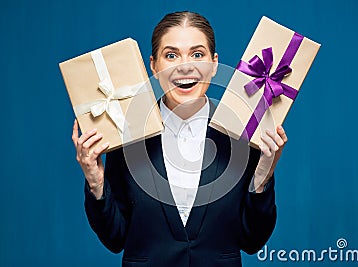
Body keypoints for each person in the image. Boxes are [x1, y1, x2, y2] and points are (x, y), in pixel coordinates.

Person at [72, 11, 288, 267]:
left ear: (215, 63)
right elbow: (114, 238)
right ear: (153, 65)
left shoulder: (241, 132)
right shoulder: (127, 134)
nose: (185, 67)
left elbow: (252, 240)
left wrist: (264, 172)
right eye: (171, 55)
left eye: (197, 54)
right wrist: (96, 182)